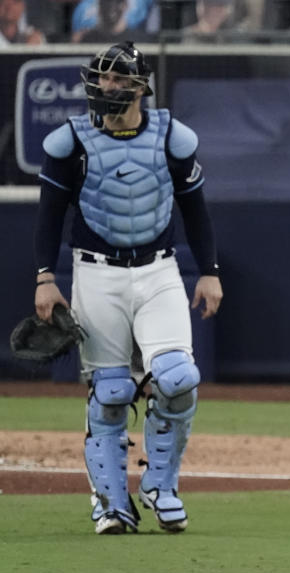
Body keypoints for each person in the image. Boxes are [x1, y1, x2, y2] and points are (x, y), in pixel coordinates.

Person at [34, 41, 222, 534]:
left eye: (116, 79)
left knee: (179, 377)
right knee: (112, 390)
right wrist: (45, 278)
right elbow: (49, 215)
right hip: (95, 271)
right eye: (100, 78)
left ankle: (160, 484)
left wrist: (210, 269)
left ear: (140, 86)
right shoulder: (69, 142)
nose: (105, 87)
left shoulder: (170, 137)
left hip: (159, 269)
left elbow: (195, 208)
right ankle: (110, 501)